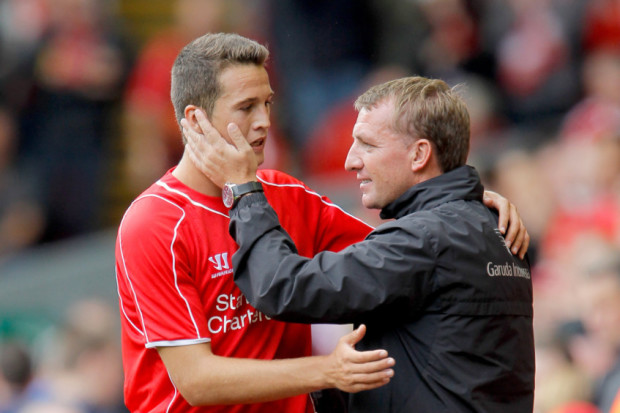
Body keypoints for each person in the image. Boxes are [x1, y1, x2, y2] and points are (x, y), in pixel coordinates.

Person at [116, 33, 528, 412]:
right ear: (195, 119)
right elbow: (196, 381)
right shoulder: (154, 222)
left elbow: (406, 258)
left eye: (268, 103)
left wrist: (461, 206)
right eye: (246, 107)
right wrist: (327, 371)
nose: (264, 122)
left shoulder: (286, 194)